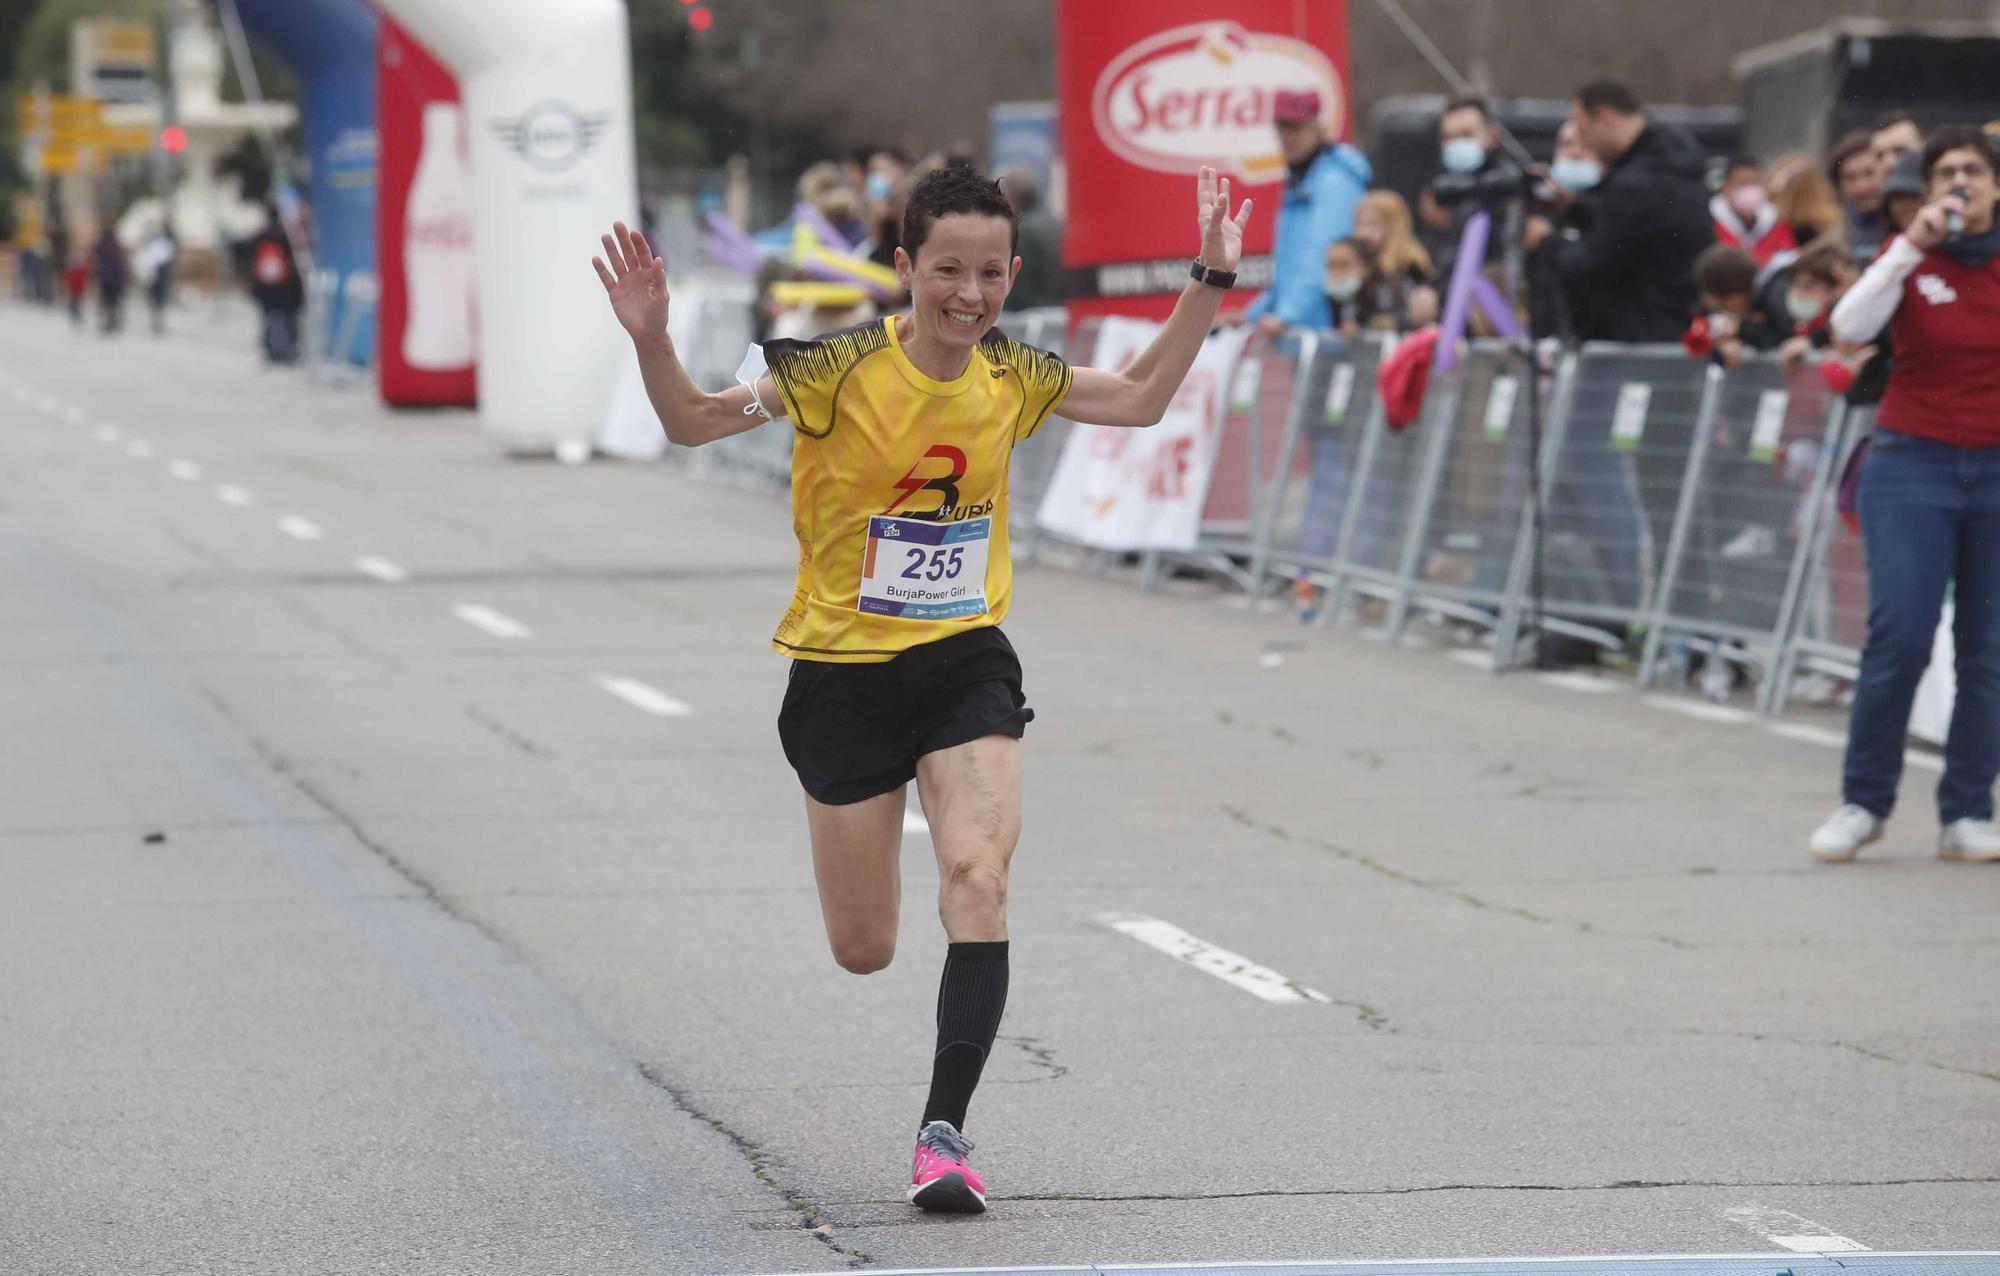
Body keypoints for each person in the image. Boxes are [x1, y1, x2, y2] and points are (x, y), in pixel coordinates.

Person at [592, 164, 1256, 1208]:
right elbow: (690, 422)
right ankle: (922, 1070)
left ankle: (942, 1136)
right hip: (840, 676)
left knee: (977, 881)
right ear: (905, 267)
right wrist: (649, 337)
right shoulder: (834, 368)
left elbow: (1137, 397)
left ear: (1010, 275)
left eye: (989, 273)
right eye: (947, 269)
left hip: (962, 661)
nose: (968, 293)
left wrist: (1210, 277)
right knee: (864, 948)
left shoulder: (1012, 372)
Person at [1809, 125, 2000, 865]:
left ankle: (1967, 812)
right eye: (1945, 172)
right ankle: (1864, 802)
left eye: (1973, 171)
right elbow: (1848, 325)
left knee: (1986, 651)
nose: (1959, 182)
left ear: (1995, 186)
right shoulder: (1910, 261)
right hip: (1912, 463)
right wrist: (1909, 247)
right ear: (1924, 192)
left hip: (1993, 468)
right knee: (1902, 635)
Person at [1529, 79, 1714, 344]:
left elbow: (1591, 265)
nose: (1584, 144)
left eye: (1583, 130)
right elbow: (1634, 230)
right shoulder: (1674, 166)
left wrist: (1546, 242)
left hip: (1643, 341)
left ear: (1603, 117)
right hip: (1677, 330)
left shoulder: (1635, 184)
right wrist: (1573, 209)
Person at [1244, 88, 1370, 335]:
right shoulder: (1300, 180)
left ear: (1317, 127)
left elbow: (1321, 259)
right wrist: (1251, 315)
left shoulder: (1335, 182)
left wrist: (1285, 316)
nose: (1287, 136)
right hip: (1301, 331)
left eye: (1295, 127)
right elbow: (1286, 272)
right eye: (1281, 127)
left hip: (1328, 331)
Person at [1419, 96, 1525, 275]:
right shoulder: (1437, 188)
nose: (1456, 144)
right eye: (1448, 138)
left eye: (1466, 135)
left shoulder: (1508, 186)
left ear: (1491, 137)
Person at [1682, 244, 1787, 365]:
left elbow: (1781, 339)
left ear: (1735, 298)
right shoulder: (1764, 294)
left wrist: (1740, 328)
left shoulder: (1775, 298)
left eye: (1724, 307)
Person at [1351, 190, 1439, 328]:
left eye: (1372, 225)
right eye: (1359, 224)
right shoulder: (1363, 263)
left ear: (1394, 226)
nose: (1362, 233)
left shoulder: (1410, 265)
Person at [1711, 157, 1795, 268]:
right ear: (1725, 187)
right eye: (1741, 183)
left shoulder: (1776, 224)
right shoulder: (1709, 224)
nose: (1748, 190)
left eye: (1755, 183)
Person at [999, 165, 1063, 311]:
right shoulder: (1055, 222)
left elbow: (1019, 293)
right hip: (1058, 314)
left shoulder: (1023, 233)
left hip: (1031, 320)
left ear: (1011, 200)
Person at [247, 206, 304, 365]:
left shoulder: (260, 235)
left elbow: (248, 252)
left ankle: (270, 350)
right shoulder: (289, 235)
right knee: (288, 319)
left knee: (267, 318)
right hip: (286, 286)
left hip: (265, 286)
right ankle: (288, 350)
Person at [1828, 130, 1887, 263]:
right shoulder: (1833, 238)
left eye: (1869, 173)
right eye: (1850, 178)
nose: (1862, 187)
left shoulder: (1907, 223)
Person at [136, 223, 177, 335]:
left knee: (157, 300)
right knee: (156, 300)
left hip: (157, 276)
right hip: (155, 276)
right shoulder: (156, 245)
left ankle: (157, 321)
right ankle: (156, 321)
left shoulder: (162, 244)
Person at [92, 225, 129, 334]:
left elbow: (96, 258)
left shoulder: (101, 244)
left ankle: (109, 320)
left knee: (107, 301)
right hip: (115, 277)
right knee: (114, 301)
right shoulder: (116, 245)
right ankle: (113, 320)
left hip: (105, 277)